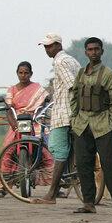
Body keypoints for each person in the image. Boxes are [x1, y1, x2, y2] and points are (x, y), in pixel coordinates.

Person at [69, 37, 112, 214]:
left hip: (103, 124)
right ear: (85, 52)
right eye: (90, 49)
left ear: (102, 51)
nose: (93, 52)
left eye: (96, 49)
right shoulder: (80, 74)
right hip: (82, 124)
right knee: (84, 165)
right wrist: (74, 117)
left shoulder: (109, 75)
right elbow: (75, 95)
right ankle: (88, 203)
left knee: (111, 165)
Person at [32, 33, 80, 205]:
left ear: (58, 45)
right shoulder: (72, 60)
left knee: (57, 148)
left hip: (64, 113)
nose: (47, 49)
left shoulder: (60, 62)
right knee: (67, 149)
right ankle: (65, 178)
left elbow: (73, 85)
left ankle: (52, 193)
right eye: (45, 46)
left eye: (50, 46)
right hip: (73, 112)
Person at [0, 61, 50, 197]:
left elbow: (44, 103)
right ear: (17, 73)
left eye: (26, 72)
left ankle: (55, 183)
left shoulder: (38, 89)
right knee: (7, 151)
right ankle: (2, 186)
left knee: (46, 150)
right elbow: (8, 110)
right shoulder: (12, 90)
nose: (23, 75)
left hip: (34, 122)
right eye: (21, 72)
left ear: (31, 74)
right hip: (17, 123)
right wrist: (14, 125)